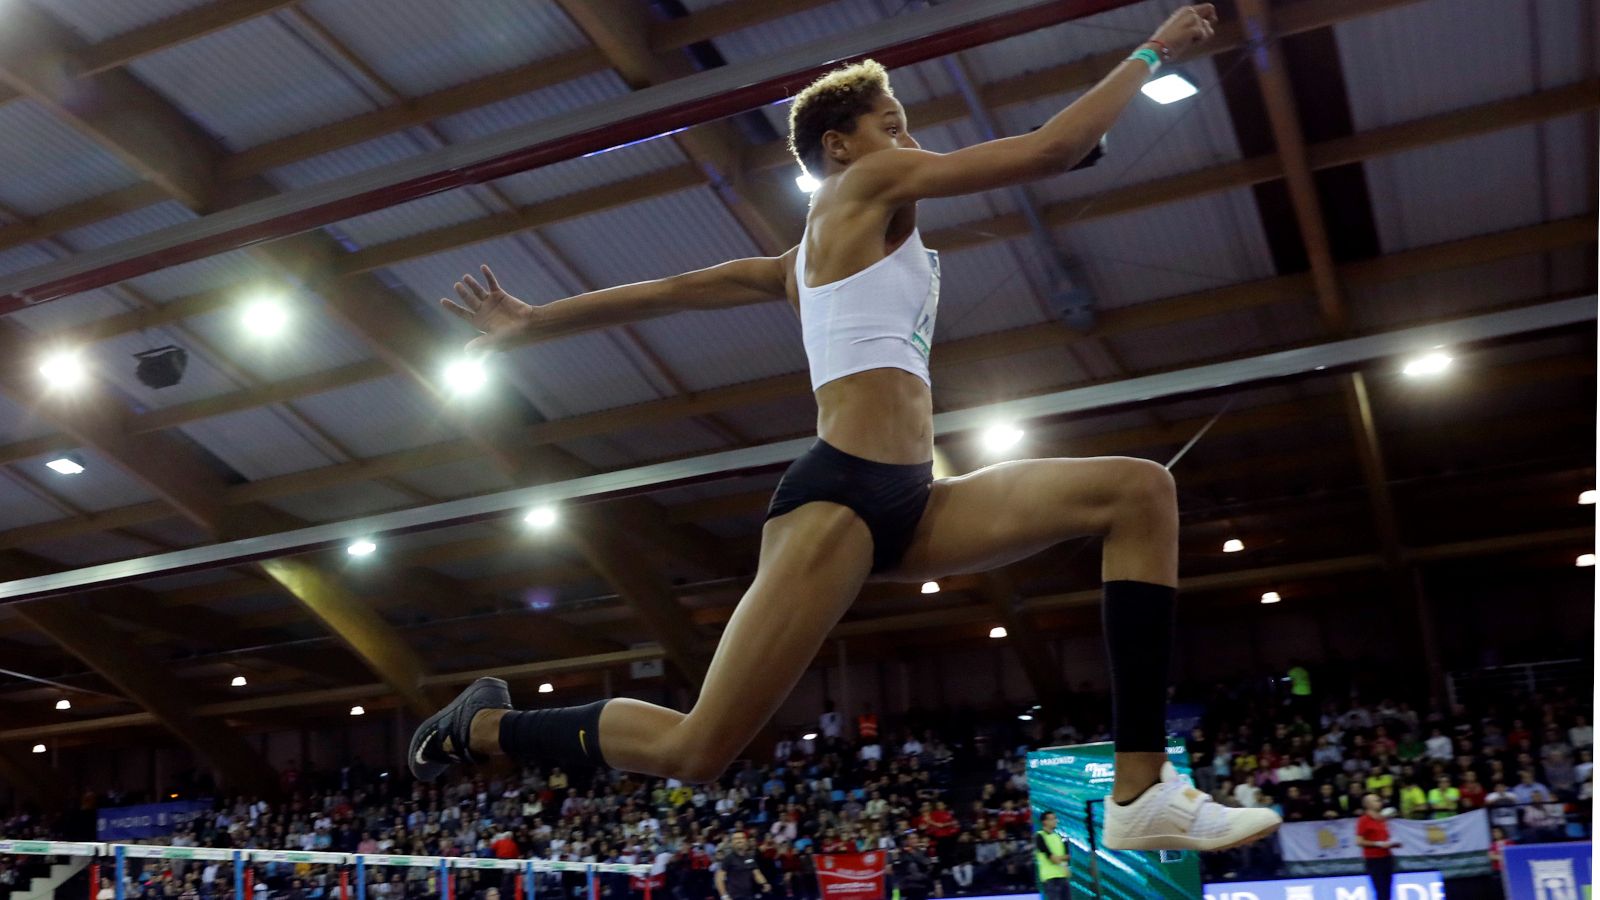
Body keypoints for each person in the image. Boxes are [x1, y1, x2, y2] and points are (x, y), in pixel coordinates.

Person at [407, 2, 1273, 854]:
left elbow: (678, 289)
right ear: (841, 147)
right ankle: (485, 728)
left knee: (1137, 492)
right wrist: (1154, 51)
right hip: (842, 497)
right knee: (696, 749)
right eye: (893, 125)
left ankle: (1142, 789)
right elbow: (1052, 149)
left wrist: (539, 318)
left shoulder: (806, 258)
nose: (910, 141)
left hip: (917, 499)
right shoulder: (866, 182)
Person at [1354, 794, 1399, 900]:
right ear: (1367, 804)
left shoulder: (1382, 820)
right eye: (1376, 800)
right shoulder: (1363, 820)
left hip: (1386, 857)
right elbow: (1359, 841)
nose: (1380, 802)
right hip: (1374, 859)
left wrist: (1392, 843)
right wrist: (1378, 844)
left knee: (1387, 890)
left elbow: (1384, 838)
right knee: (1380, 890)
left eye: (1379, 800)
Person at [716, 832, 772, 900]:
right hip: (733, 897)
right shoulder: (728, 859)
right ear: (732, 842)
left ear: (745, 841)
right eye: (736, 839)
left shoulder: (750, 858)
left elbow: (757, 874)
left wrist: (764, 883)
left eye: (741, 838)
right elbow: (719, 878)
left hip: (749, 895)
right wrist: (724, 896)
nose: (739, 840)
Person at [1034, 811, 1070, 900]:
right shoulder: (1039, 836)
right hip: (1050, 877)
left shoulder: (1059, 837)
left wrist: (1059, 858)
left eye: (1055, 819)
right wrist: (1060, 859)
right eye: (1052, 819)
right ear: (1044, 822)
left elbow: (1067, 856)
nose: (1055, 821)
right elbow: (1053, 858)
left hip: (1062, 876)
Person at [895, 833, 939, 900]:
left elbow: (927, 863)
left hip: (921, 884)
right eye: (911, 839)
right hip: (908, 885)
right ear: (907, 841)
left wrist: (913, 852)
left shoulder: (923, 852)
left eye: (915, 838)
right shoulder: (902, 852)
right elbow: (900, 866)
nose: (913, 840)